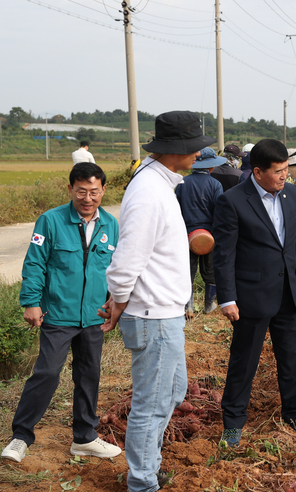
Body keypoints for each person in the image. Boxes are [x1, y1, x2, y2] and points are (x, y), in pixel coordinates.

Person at [100, 110, 213, 492]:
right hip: (154, 317)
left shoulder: (160, 185)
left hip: (164, 314)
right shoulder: (149, 192)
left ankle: (146, 468)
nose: (199, 154)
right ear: (174, 150)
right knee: (151, 404)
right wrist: (118, 300)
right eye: (194, 148)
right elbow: (127, 258)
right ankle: (143, 482)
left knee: (174, 392)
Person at [1, 163, 121, 464]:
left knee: (89, 376)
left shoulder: (110, 224)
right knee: (48, 373)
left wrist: (113, 302)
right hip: (58, 314)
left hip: (94, 317)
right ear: (70, 189)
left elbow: (115, 269)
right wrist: (31, 301)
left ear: (103, 190)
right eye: (81, 191)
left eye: (94, 192)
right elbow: (34, 263)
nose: (88, 198)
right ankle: (21, 436)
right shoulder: (50, 221)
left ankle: (84, 438)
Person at [212, 138, 296, 447]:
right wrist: (227, 297)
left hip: (287, 291)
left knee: (292, 358)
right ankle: (233, 422)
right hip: (251, 296)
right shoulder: (233, 201)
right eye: (278, 171)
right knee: (244, 361)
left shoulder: (289, 194)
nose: (285, 176)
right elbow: (224, 254)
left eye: (286, 169)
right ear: (257, 172)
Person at [175, 147, 226, 317]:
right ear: (210, 167)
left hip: (186, 234)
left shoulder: (182, 183)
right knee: (209, 271)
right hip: (210, 235)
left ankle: (187, 307)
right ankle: (208, 305)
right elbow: (220, 212)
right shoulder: (215, 184)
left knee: (187, 270)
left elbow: (176, 209)